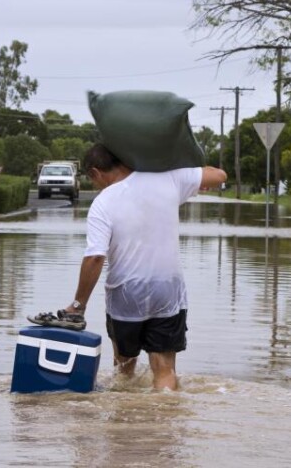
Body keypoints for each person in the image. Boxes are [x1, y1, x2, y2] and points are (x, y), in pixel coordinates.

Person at [60, 143, 227, 391]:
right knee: (165, 369)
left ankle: (127, 423)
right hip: (167, 290)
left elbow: (95, 257)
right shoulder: (168, 178)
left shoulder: (103, 202)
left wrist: (78, 305)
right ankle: (166, 412)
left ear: (95, 173)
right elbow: (219, 175)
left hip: (125, 293)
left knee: (123, 369)